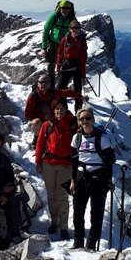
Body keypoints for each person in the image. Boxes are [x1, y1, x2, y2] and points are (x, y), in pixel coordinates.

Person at [70, 108, 116, 250]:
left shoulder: (102, 138)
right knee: (78, 212)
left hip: (98, 178)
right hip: (80, 177)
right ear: (79, 122)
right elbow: (73, 160)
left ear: (93, 120)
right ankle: (78, 242)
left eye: (88, 118)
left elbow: (109, 161)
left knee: (96, 213)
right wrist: (72, 179)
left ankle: (91, 245)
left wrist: (109, 180)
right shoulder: (76, 138)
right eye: (82, 119)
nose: (85, 121)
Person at [35, 101, 76, 240]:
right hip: (48, 164)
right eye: (57, 109)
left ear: (66, 109)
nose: (59, 111)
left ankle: (64, 226)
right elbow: (40, 143)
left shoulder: (72, 125)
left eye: (61, 108)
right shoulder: (47, 125)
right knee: (51, 195)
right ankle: (54, 222)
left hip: (65, 164)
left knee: (62, 196)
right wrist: (38, 162)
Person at [24, 74, 83, 140]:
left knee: (70, 119)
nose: (43, 84)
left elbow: (67, 92)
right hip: (40, 120)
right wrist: (43, 116)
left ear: (49, 84)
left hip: (53, 117)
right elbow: (27, 114)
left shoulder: (53, 93)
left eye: (46, 82)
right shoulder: (33, 96)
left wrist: (80, 96)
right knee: (36, 123)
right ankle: (37, 138)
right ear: (38, 84)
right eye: (41, 82)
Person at [41, 0, 77, 87]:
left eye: (67, 8)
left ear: (70, 9)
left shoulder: (72, 18)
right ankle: (52, 88)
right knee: (51, 67)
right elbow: (45, 31)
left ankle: (60, 87)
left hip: (65, 46)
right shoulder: (54, 16)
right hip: (53, 44)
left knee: (63, 67)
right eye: (63, 8)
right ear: (59, 8)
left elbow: (76, 32)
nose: (65, 10)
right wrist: (44, 48)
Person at [55, 20, 87, 111]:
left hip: (77, 66)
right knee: (60, 89)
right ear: (70, 29)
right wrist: (58, 66)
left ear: (80, 29)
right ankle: (63, 110)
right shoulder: (65, 40)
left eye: (77, 28)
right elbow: (60, 54)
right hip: (66, 65)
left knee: (78, 91)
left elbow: (83, 59)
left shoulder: (82, 41)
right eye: (73, 28)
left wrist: (83, 76)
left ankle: (78, 112)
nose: (75, 30)